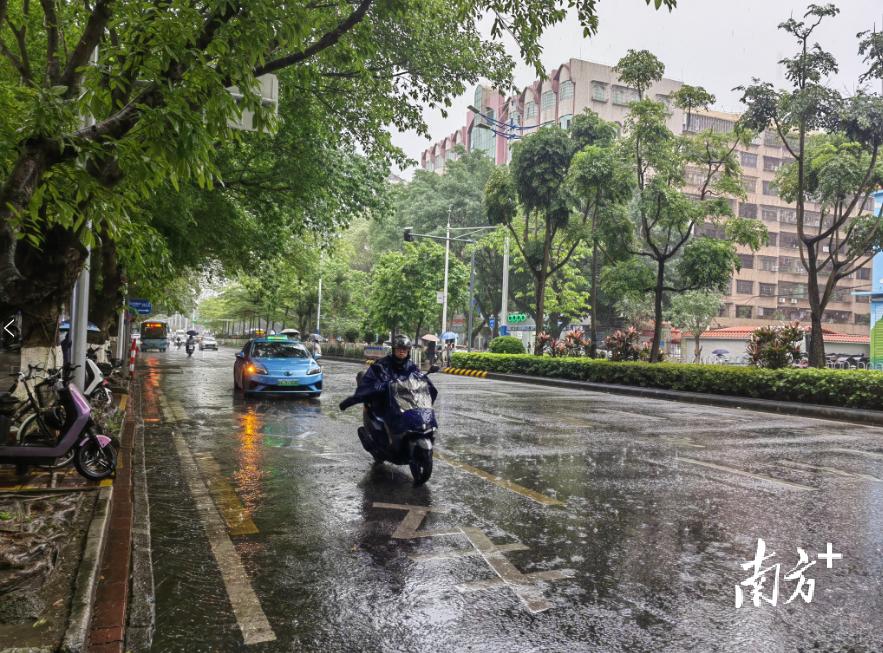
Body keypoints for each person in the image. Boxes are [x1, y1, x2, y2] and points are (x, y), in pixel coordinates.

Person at [339, 334, 436, 414]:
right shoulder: (381, 364)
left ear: (408, 350)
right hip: (385, 404)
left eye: (404, 349)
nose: (402, 351)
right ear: (394, 349)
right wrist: (351, 401)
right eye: (399, 348)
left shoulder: (411, 366)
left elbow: (420, 380)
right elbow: (369, 384)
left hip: (406, 405)